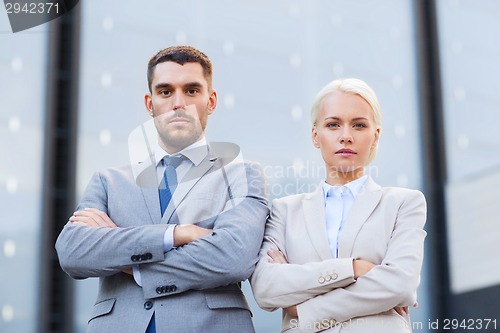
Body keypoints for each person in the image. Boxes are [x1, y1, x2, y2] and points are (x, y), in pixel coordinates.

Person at [56, 45, 269, 333]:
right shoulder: (109, 181)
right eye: (166, 92)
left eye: (192, 91)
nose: (178, 103)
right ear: (150, 103)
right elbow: (73, 252)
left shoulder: (243, 174)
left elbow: (233, 258)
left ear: (212, 101)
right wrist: (177, 234)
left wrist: (130, 262)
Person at [250, 78, 426, 332]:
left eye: (359, 125)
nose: (346, 136)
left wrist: (302, 309)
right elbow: (267, 289)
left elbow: (401, 285)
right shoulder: (284, 211)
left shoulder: (403, 203)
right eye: (333, 125)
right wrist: (353, 268)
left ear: (375, 136)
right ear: (315, 135)